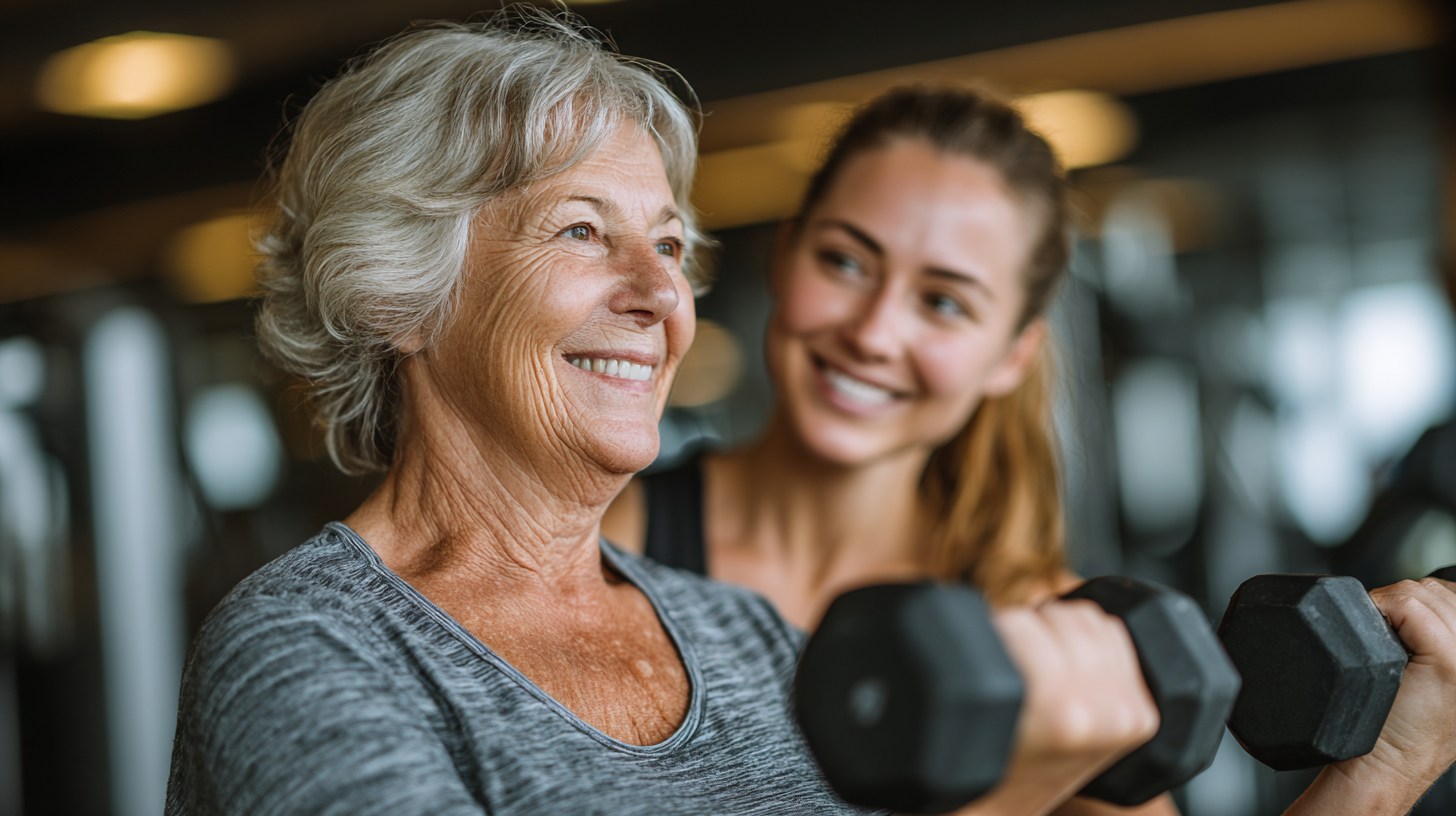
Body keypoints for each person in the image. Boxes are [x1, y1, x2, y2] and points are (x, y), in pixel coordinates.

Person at [164, 11, 1170, 816]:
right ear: (400, 297)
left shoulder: (744, 635)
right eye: (581, 231)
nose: (658, 294)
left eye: (670, 246)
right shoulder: (309, 645)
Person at [602, 86, 1456, 815]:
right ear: (787, 258)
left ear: (1011, 353)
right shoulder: (599, 553)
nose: (873, 330)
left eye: (943, 302)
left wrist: (1381, 778)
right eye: (846, 261)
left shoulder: (1057, 634)